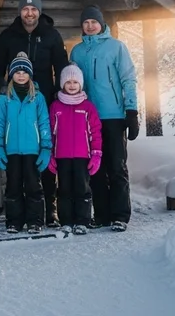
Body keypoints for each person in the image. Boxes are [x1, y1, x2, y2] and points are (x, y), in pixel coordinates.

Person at [0, 0, 68, 227]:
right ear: (20, 11)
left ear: (39, 12)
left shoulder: (52, 35)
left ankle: (49, 212)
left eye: (33, 9)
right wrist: (3, 89)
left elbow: (62, 67)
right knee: (18, 171)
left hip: (45, 103)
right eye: (25, 9)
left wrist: (56, 95)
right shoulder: (8, 37)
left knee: (45, 161)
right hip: (16, 100)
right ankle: (18, 215)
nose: (29, 13)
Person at [70, 5, 138, 232]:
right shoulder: (77, 52)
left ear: (102, 24)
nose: (90, 26)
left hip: (114, 115)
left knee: (116, 166)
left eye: (94, 22)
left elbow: (128, 79)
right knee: (95, 168)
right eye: (86, 22)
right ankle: (102, 214)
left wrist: (132, 110)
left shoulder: (116, 47)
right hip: (87, 117)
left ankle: (120, 215)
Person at [0, 52, 52, 234]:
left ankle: (35, 221)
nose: (20, 75)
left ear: (30, 75)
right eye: (17, 71)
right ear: (11, 75)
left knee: (34, 186)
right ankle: (14, 221)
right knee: (13, 186)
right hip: (12, 150)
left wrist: (46, 148)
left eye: (24, 72)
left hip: (33, 150)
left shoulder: (38, 98)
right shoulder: (4, 98)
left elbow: (44, 122)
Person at [48, 64, 102, 236]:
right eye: (68, 82)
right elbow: (50, 132)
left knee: (82, 188)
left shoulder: (88, 107)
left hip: (82, 157)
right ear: (62, 84)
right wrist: (49, 154)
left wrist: (96, 154)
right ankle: (66, 221)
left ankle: (82, 221)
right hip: (61, 156)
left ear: (81, 84)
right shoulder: (56, 106)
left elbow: (95, 132)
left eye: (75, 82)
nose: (72, 85)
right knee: (64, 189)